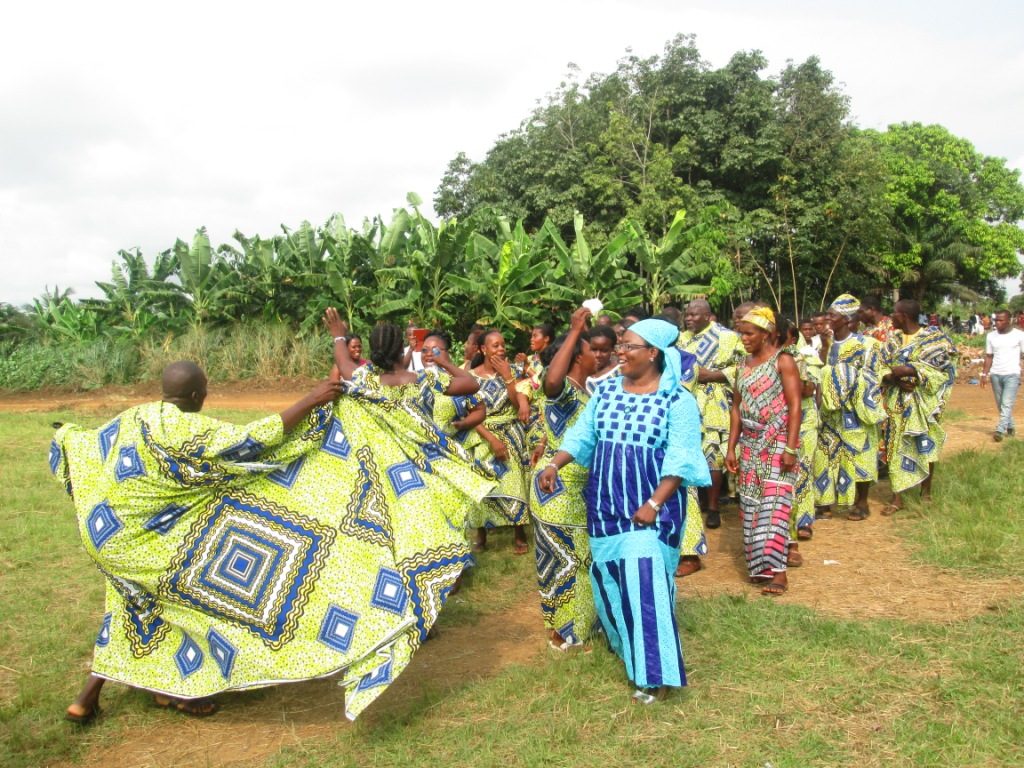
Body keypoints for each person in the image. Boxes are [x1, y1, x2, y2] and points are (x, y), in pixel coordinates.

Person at [537, 319, 710, 704]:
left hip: (651, 509)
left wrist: (653, 504)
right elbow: (584, 433)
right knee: (608, 582)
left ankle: (655, 678)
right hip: (605, 503)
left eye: (629, 346)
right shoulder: (608, 391)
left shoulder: (677, 401)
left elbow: (682, 458)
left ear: (654, 353)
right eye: (621, 345)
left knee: (644, 584)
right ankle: (629, 650)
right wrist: (556, 463)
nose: (621, 351)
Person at [530, 307, 598, 650]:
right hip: (557, 486)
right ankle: (564, 631)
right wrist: (574, 331)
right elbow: (550, 381)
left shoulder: (587, 392)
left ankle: (577, 627)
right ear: (575, 356)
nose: (596, 355)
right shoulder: (564, 391)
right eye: (590, 351)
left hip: (577, 486)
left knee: (578, 558)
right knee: (566, 560)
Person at [726, 307, 801, 595]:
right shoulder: (743, 365)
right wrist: (731, 447)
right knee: (751, 505)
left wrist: (791, 448)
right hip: (749, 444)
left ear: (766, 333)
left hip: (778, 440)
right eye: (741, 333)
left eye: (749, 333)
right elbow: (736, 408)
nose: (743, 338)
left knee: (774, 506)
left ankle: (779, 572)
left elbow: (795, 406)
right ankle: (761, 566)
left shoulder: (783, 362)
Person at [878, 299, 957, 512]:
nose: (891, 317)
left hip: (924, 403)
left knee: (925, 443)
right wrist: (895, 378)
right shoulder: (892, 340)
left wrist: (914, 372)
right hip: (896, 403)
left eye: (894, 313)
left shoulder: (933, 340)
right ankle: (897, 497)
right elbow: (880, 366)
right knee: (894, 445)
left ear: (903, 315)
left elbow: (944, 371)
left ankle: (926, 491)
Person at [813, 294, 886, 520]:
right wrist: (825, 347)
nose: (827, 318)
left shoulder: (868, 345)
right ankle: (825, 503)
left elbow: (875, 375)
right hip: (829, 412)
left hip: (856, 411)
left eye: (832, 315)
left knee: (860, 455)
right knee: (826, 455)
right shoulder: (823, 343)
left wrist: (845, 380)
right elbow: (819, 370)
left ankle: (861, 503)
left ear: (846, 319)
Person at [677, 299, 743, 533]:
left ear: (708, 316)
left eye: (694, 315)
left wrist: (715, 375)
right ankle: (699, 501)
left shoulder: (728, 337)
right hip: (688, 400)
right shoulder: (682, 339)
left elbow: (744, 365)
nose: (689, 318)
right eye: (687, 314)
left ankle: (714, 507)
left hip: (716, 402)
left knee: (713, 452)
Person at [467, 329, 532, 554]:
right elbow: (468, 413)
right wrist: (491, 439)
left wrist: (507, 377)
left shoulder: (514, 372)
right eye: (495, 346)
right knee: (481, 483)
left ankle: (519, 531)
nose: (501, 349)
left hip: (511, 431)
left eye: (503, 345)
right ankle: (481, 533)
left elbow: (517, 405)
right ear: (483, 349)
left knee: (514, 479)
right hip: (482, 431)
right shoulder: (470, 377)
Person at [981, 309, 1024, 441]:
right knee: (1001, 404)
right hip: (996, 374)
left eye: (1001, 320)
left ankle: (1000, 430)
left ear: (1008, 320)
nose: (997, 323)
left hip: (1012, 374)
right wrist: (984, 374)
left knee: (1006, 403)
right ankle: (1010, 426)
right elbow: (989, 356)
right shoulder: (991, 336)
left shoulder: (1019, 335)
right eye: (996, 320)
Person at [584, 324, 620, 394]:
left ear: (612, 350)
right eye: (593, 349)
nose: (598, 355)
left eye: (604, 350)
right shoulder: (581, 377)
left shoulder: (619, 373)